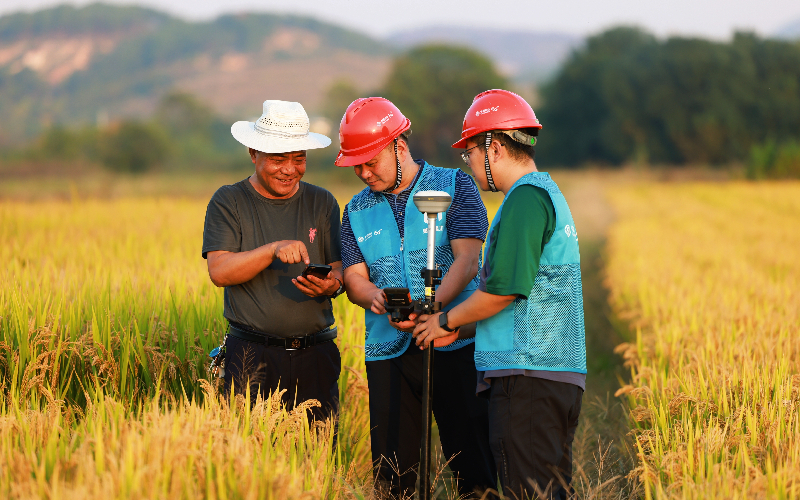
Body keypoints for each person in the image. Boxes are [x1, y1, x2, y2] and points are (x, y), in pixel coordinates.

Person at [413, 89, 587, 500]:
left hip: (527, 377)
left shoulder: (525, 200)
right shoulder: (542, 194)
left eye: (470, 151)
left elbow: (503, 292)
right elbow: (519, 294)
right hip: (549, 374)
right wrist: (463, 330)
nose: (470, 164)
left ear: (493, 146)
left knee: (526, 491)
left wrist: (445, 320)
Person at [335, 97, 496, 498]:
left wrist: (434, 308)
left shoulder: (455, 185)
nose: (362, 172)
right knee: (393, 469)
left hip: (456, 339)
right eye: (356, 165)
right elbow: (354, 276)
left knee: (472, 458)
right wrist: (374, 297)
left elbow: (468, 259)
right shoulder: (354, 210)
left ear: (399, 145)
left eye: (370, 162)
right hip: (389, 350)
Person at [202, 100, 345, 421]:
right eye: (279, 159)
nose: (290, 169)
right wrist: (271, 250)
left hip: (316, 354)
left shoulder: (322, 202)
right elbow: (220, 270)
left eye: (299, 159)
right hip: (252, 354)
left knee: (318, 453)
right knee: (250, 456)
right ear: (253, 153)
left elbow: (340, 268)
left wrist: (331, 283)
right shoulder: (229, 201)